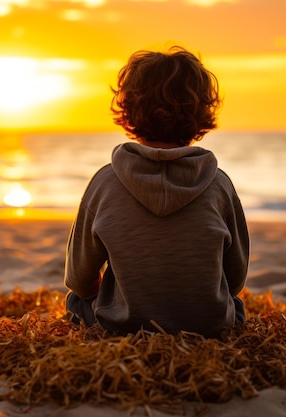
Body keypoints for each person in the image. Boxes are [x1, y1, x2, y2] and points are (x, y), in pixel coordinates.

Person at [63, 46, 250, 338]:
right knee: (236, 305)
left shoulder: (104, 182)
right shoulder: (219, 185)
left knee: (76, 301)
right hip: (207, 332)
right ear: (202, 112)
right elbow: (235, 279)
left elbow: (79, 279)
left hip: (123, 330)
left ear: (128, 109)